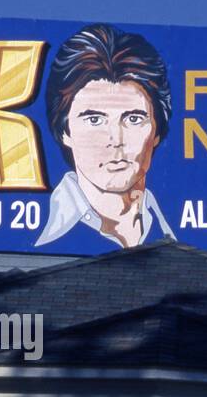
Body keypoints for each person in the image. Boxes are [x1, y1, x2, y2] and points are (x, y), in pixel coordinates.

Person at [34, 23, 176, 250]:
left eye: (133, 119)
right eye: (94, 120)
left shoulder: (176, 234)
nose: (116, 139)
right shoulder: (35, 240)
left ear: (157, 131)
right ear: (64, 131)